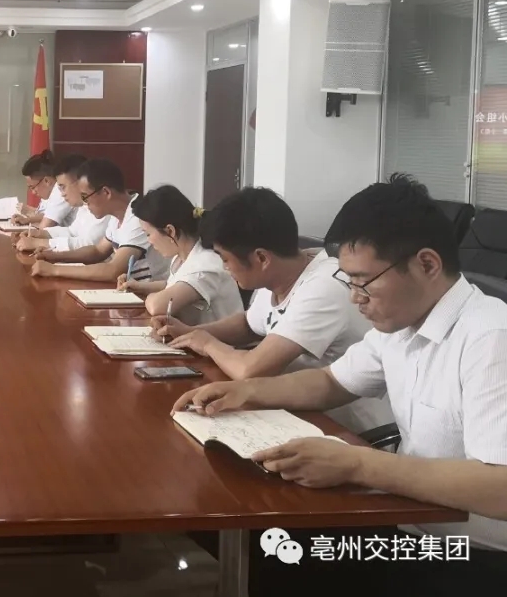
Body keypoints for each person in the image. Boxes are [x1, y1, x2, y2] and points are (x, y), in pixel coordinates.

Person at [173, 174, 507, 594]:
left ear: (427, 265)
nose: (355, 297)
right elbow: (331, 381)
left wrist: (357, 464)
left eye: (363, 281)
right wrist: (245, 392)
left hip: (469, 553)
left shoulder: (491, 338)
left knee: (274, 556)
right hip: (408, 518)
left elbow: (500, 489)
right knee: (252, 537)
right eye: (348, 281)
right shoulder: (400, 324)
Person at [155, 186, 387, 432]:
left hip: (341, 426)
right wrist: (190, 333)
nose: (225, 268)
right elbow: (249, 324)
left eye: (225, 259)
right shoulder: (282, 274)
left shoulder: (325, 285)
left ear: (262, 258)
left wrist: (207, 343)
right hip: (290, 407)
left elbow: (250, 370)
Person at [116, 185, 244, 323]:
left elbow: (157, 306)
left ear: (170, 231)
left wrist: (149, 298)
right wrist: (140, 287)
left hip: (216, 337)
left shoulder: (205, 265)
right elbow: (173, 285)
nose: (149, 241)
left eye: (148, 234)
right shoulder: (182, 256)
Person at [31, 158, 166, 283]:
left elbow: (113, 270)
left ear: (106, 192)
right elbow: (98, 251)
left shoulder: (138, 217)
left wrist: (54, 270)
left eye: (85, 197)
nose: (85, 203)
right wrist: (55, 256)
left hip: (149, 294)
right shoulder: (118, 215)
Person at [15, 154, 108, 254]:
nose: (62, 194)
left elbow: (89, 245)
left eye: (63, 187)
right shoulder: (84, 206)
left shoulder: (101, 206)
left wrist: (40, 243)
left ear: (81, 182)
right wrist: (42, 233)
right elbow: (72, 232)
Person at [10, 150, 74, 228]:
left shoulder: (59, 191)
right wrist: (26, 220)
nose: (33, 192)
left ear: (46, 181)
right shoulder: (50, 192)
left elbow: (44, 227)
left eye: (33, 187)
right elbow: (46, 216)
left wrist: (28, 220)